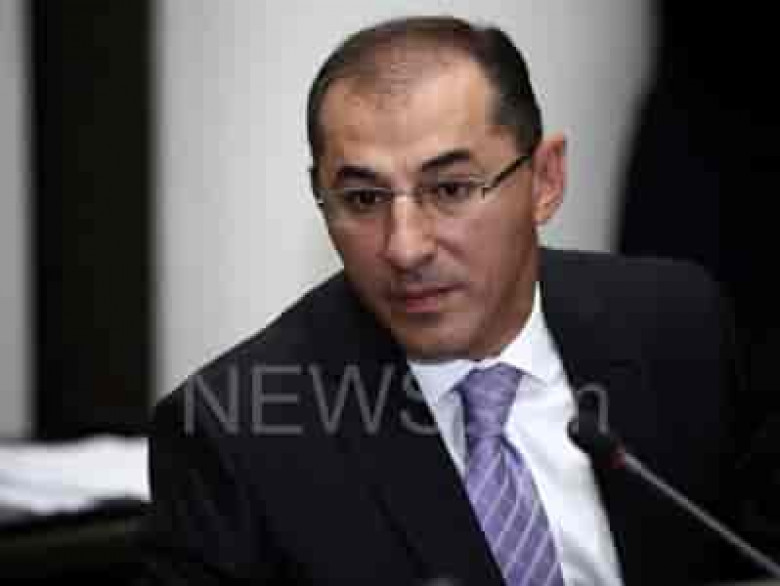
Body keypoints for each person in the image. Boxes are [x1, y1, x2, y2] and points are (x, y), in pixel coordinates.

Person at [140, 16, 745, 586]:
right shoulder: (233, 433)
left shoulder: (678, 323)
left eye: (451, 189)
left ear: (544, 180)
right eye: (363, 199)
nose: (405, 248)